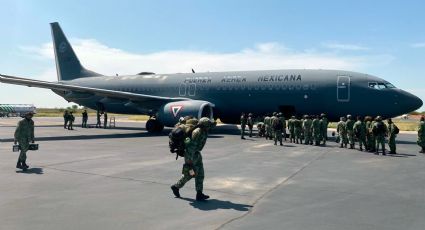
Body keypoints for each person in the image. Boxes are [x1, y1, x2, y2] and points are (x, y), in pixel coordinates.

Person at [171, 117, 215, 201]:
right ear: (204, 125)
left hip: (197, 154)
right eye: (208, 125)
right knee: (190, 174)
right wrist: (189, 161)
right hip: (191, 155)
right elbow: (191, 147)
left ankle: (199, 193)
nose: (209, 127)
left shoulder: (203, 131)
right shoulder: (197, 132)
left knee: (200, 173)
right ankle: (176, 186)